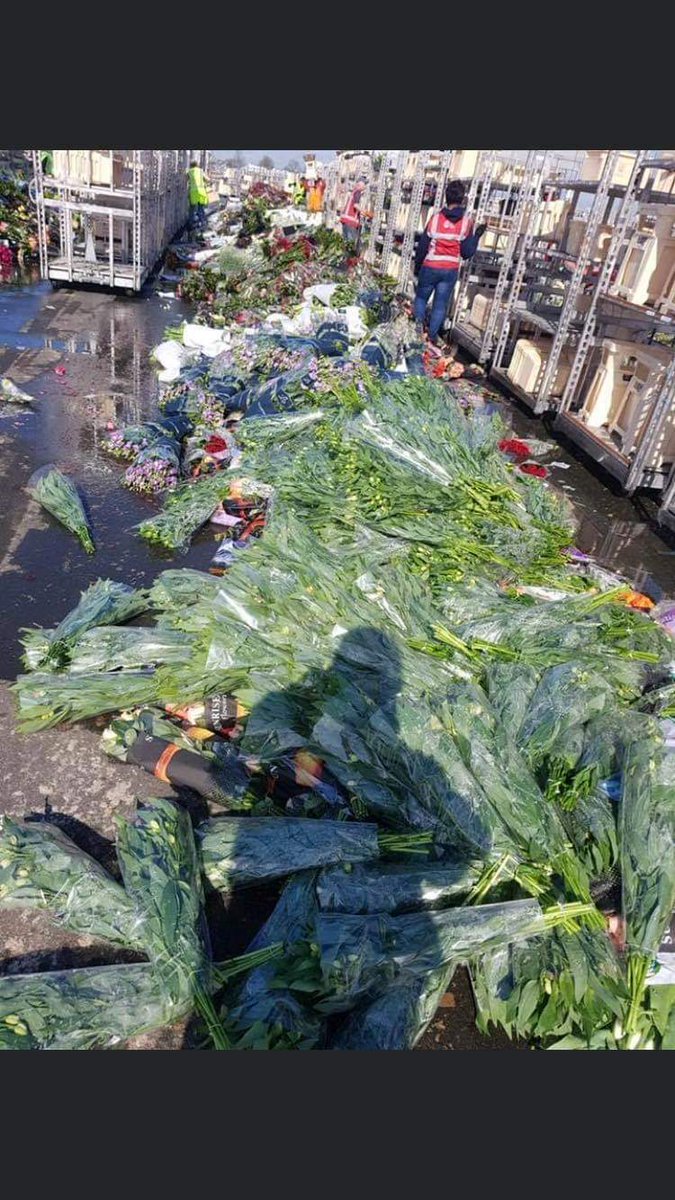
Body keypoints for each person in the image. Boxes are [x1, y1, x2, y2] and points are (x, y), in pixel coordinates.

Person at [413, 180, 486, 345]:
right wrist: (476, 237)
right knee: (440, 305)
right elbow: (466, 253)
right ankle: (431, 338)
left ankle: (416, 333)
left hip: (430, 265)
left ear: (446, 197)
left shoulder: (435, 219)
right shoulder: (466, 223)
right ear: (463, 199)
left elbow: (423, 245)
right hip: (450, 269)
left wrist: (417, 266)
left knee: (421, 298)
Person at [340, 175, 368, 251]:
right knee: (351, 244)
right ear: (361, 184)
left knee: (346, 243)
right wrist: (364, 212)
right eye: (365, 184)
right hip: (350, 223)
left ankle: (345, 256)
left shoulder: (354, 192)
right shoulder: (358, 192)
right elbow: (356, 205)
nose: (365, 187)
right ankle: (349, 257)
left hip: (346, 221)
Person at [187, 159, 209, 231]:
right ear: (197, 164)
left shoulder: (189, 171)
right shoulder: (201, 171)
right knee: (200, 209)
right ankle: (203, 224)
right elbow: (208, 179)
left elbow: (185, 180)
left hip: (193, 193)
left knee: (192, 209)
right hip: (201, 192)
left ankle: (190, 224)